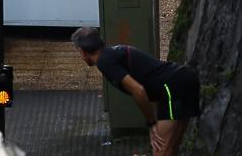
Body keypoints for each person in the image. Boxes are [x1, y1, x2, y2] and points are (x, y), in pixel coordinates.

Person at [73, 27, 199, 156]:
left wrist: (151, 124)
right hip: (181, 80)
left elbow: (139, 91)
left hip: (174, 85)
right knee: (170, 147)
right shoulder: (111, 54)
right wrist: (155, 121)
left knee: (160, 150)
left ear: (82, 51)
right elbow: (152, 90)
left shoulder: (104, 61)